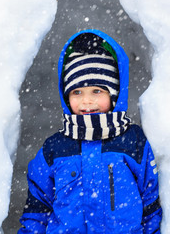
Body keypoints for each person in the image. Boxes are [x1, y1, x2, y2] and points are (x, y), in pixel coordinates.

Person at [18, 29, 162, 233]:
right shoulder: (55, 148)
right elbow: (37, 210)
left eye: (97, 91)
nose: (87, 101)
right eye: (77, 92)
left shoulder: (133, 141)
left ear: (114, 95)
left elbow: (150, 206)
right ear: (66, 96)